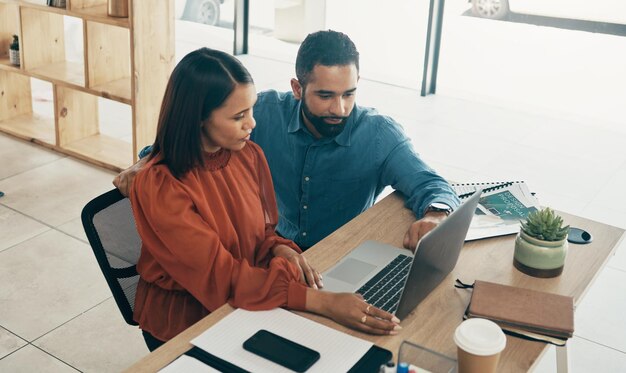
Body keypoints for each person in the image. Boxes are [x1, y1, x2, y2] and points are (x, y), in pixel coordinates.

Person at [129, 48, 400, 351]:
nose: (252, 124)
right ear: (199, 119)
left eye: (252, 110)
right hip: (189, 322)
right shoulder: (161, 186)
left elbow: (261, 234)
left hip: (248, 294)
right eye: (238, 116)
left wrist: (279, 247)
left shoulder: (246, 155)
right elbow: (222, 279)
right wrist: (322, 302)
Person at [115, 30, 459, 252]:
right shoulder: (261, 112)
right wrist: (144, 162)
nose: (339, 108)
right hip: (262, 255)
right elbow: (185, 142)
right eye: (325, 95)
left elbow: (432, 185)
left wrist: (435, 216)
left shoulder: (379, 134)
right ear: (297, 88)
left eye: (349, 94)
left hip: (334, 259)